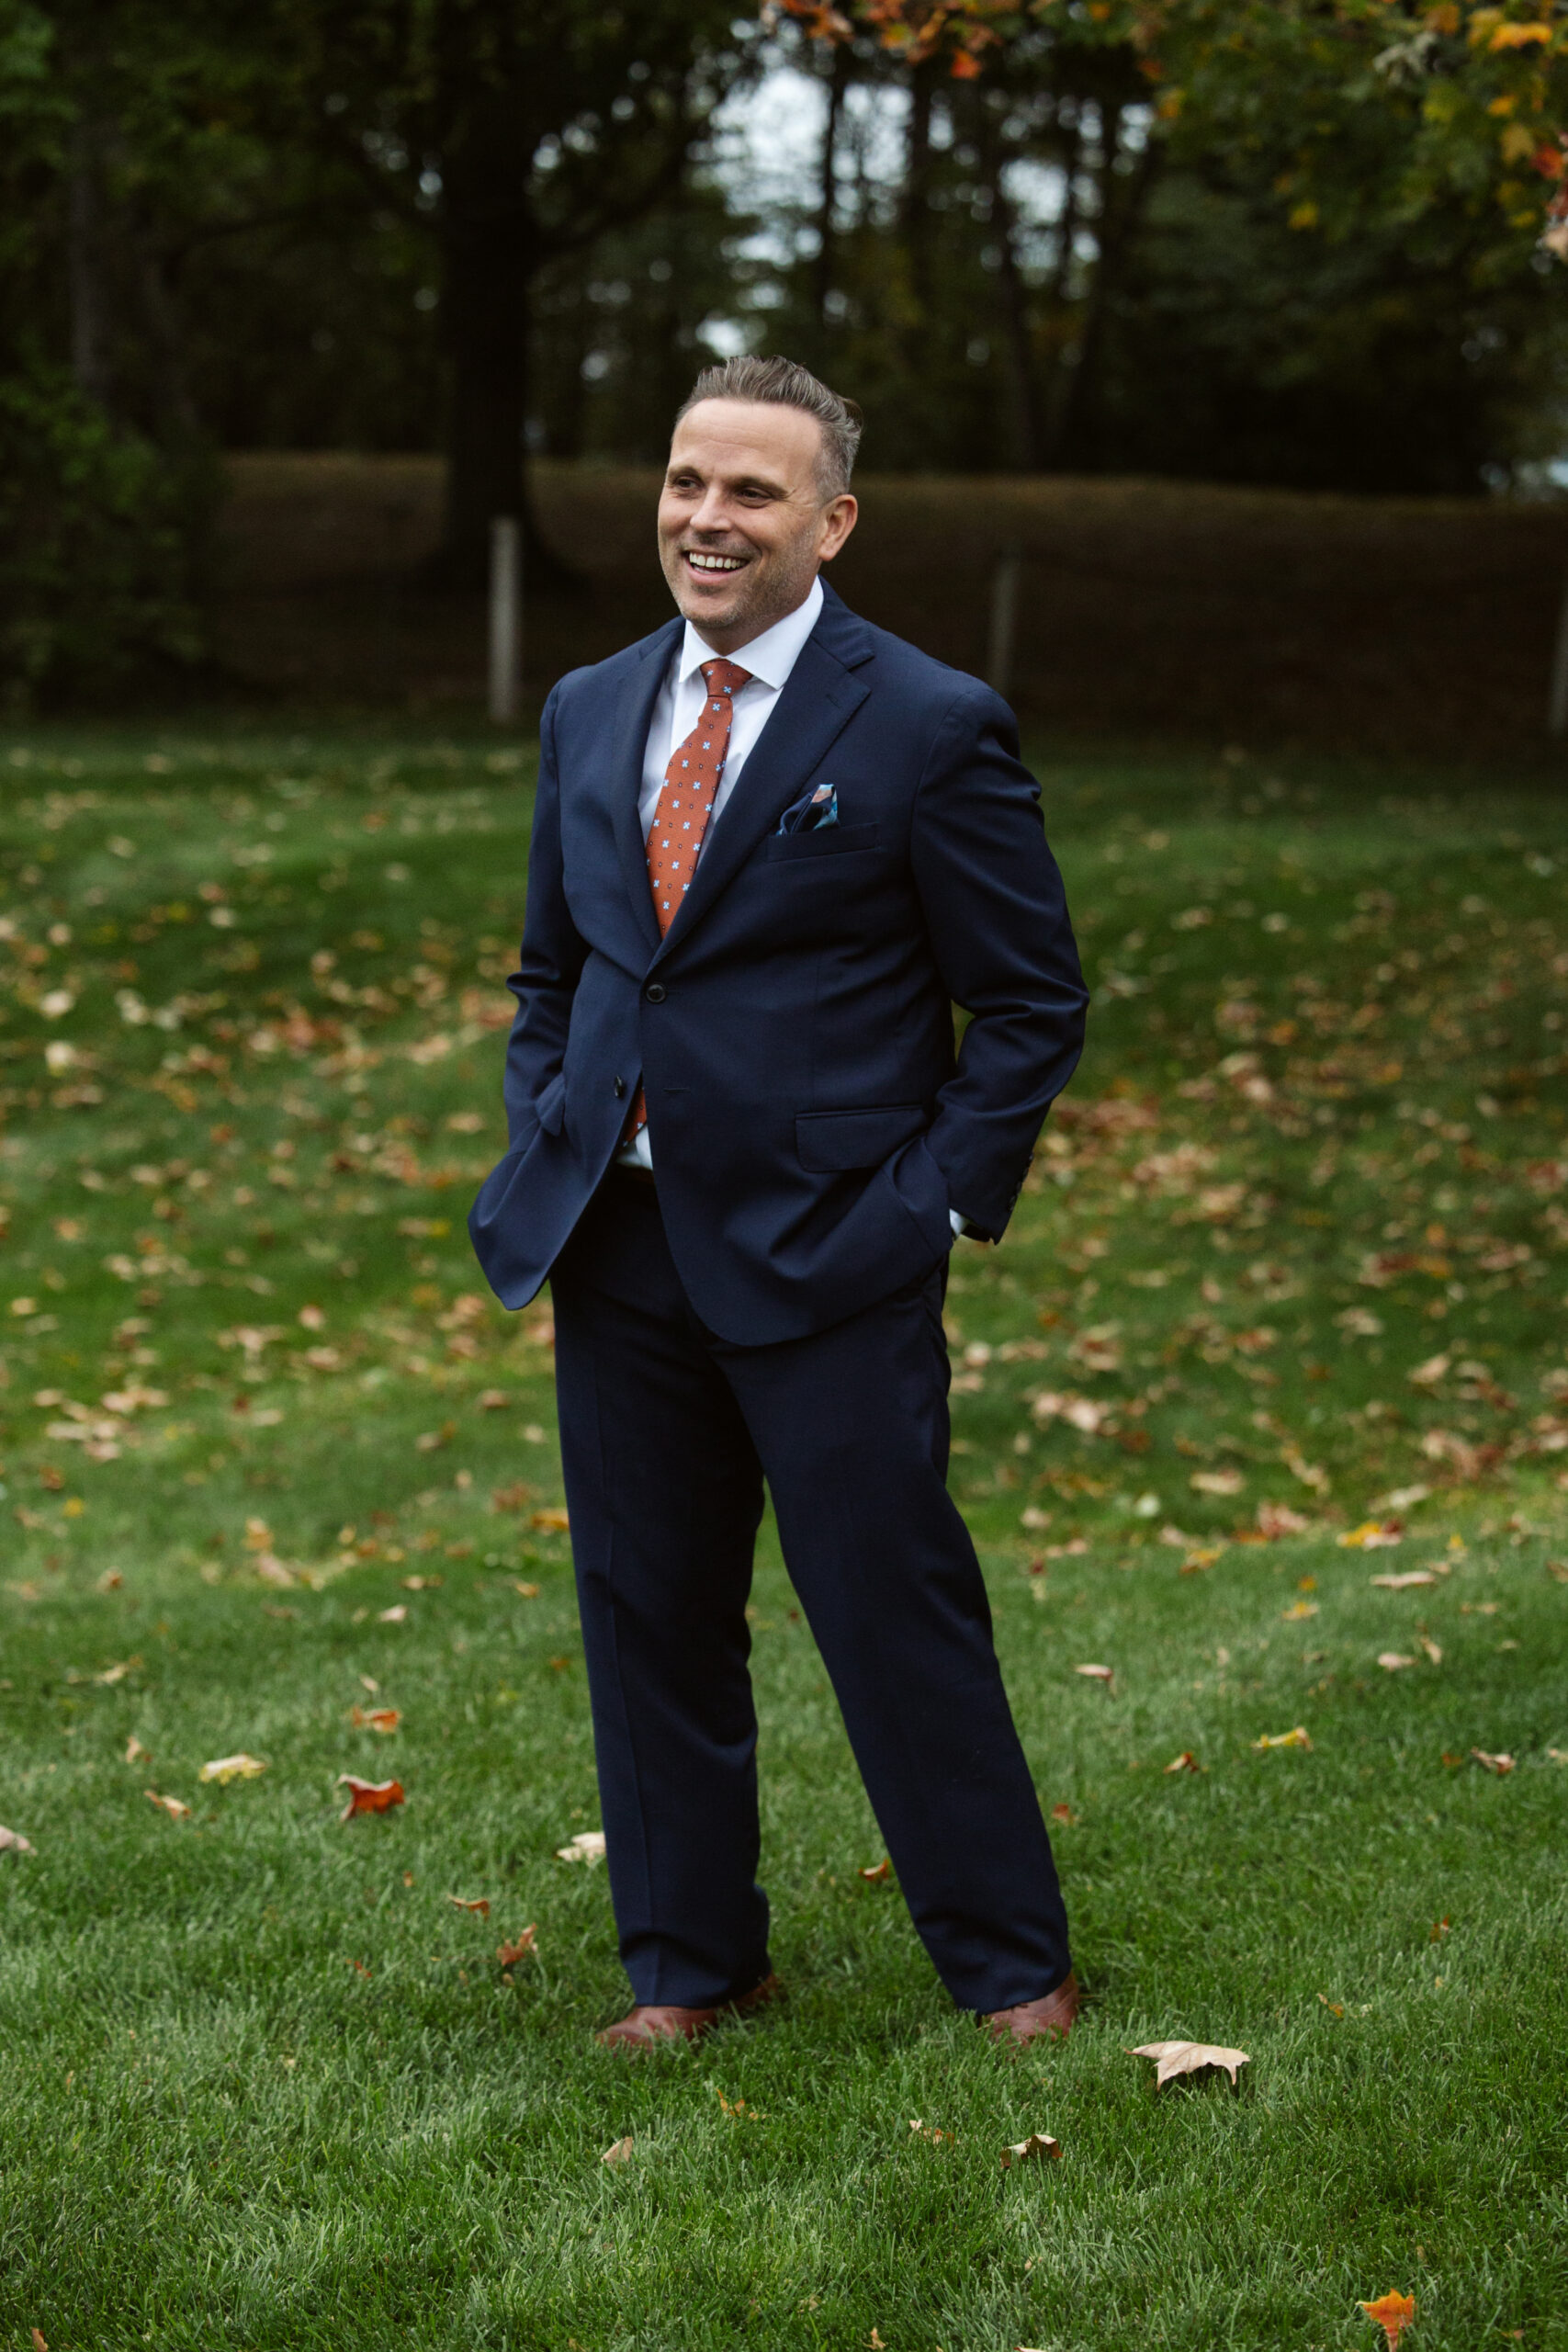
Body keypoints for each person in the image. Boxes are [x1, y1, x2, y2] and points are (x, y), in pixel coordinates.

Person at [469, 356, 1089, 2052]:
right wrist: (550, 1124)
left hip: (836, 1252)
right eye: (686, 482)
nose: (708, 518)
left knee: (894, 1614)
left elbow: (1030, 1005)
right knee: (649, 1612)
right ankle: (691, 1964)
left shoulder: (926, 722)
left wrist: (932, 1206)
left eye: (752, 491)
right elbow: (561, 967)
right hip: (619, 1241)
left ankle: (1009, 1965)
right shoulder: (595, 705)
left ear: (834, 519)